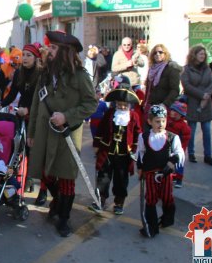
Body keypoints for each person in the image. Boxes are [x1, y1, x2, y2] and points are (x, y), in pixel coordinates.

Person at [27, 31, 98, 237]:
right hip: (43, 132)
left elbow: (91, 103)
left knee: (66, 177)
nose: (48, 50)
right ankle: (57, 202)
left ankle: (64, 218)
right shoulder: (46, 74)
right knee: (45, 173)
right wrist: (31, 131)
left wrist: (67, 116)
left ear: (65, 52)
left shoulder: (80, 76)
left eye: (54, 48)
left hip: (66, 133)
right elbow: (35, 103)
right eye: (50, 47)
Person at [92, 78, 142, 215]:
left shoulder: (134, 117)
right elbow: (100, 128)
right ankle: (100, 200)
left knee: (121, 181)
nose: (122, 107)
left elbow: (138, 134)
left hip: (124, 155)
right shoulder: (109, 113)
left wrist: (135, 150)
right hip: (107, 152)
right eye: (120, 104)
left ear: (129, 104)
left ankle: (119, 203)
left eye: (125, 105)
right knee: (103, 178)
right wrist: (96, 144)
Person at [136, 105, 185, 238]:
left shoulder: (172, 137)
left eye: (163, 121)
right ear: (150, 121)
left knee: (167, 197)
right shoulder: (144, 137)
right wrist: (140, 168)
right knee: (151, 199)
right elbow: (140, 152)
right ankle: (151, 227)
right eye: (157, 121)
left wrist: (173, 160)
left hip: (166, 174)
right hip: (150, 173)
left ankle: (167, 219)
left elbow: (179, 152)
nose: (161, 124)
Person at [1, 43, 42, 197]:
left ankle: (30, 179)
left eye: (28, 55)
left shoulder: (41, 74)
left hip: (36, 115)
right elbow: (12, 94)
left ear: (35, 58)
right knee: (17, 147)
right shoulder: (19, 73)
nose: (24, 58)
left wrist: (30, 110)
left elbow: (42, 99)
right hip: (21, 114)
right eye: (23, 54)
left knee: (31, 149)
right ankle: (16, 179)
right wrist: (1, 103)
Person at [180, 44, 212, 165]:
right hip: (193, 102)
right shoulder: (186, 69)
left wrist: (207, 94)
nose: (203, 56)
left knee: (206, 131)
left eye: (204, 54)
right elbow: (186, 85)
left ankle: (208, 155)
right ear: (194, 55)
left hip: (206, 103)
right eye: (200, 54)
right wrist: (201, 94)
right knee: (192, 130)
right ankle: (191, 153)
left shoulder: (207, 68)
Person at [143, 43, 182, 114]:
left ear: (165, 54)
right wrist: (145, 103)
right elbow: (148, 89)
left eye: (160, 52)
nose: (157, 54)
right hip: (151, 105)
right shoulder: (151, 69)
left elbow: (175, 90)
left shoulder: (171, 68)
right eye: (155, 53)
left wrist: (165, 104)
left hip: (165, 107)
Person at [165, 101, 191, 188]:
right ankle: (168, 176)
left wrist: (181, 149)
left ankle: (179, 179)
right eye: (171, 110)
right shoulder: (167, 120)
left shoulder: (184, 126)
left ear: (180, 114)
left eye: (174, 111)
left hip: (177, 147)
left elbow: (185, 139)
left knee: (179, 164)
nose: (172, 112)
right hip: (166, 146)